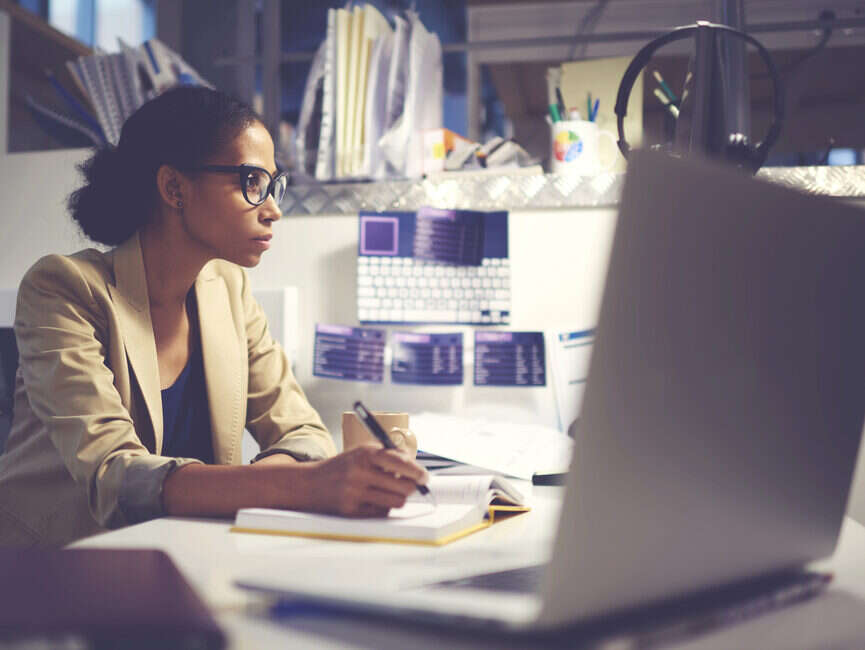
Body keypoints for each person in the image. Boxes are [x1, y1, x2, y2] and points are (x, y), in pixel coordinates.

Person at [0, 86, 427, 546]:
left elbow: (305, 432)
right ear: (174, 188)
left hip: (184, 556)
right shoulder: (63, 288)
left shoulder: (229, 289)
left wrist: (280, 483)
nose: (273, 210)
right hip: (56, 570)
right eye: (251, 183)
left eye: (272, 185)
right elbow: (115, 476)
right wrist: (303, 484)